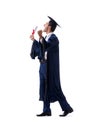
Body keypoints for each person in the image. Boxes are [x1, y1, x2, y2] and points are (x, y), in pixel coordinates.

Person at [30, 16, 73, 117]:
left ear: (49, 26)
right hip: (43, 67)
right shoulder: (46, 38)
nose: (44, 25)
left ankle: (67, 108)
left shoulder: (54, 38)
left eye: (45, 24)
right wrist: (35, 40)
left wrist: (40, 37)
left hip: (51, 69)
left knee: (55, 88)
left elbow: (46, 46)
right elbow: (41, 49)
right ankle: (46, 110)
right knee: (44, 88)